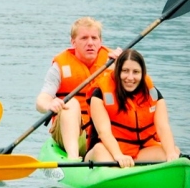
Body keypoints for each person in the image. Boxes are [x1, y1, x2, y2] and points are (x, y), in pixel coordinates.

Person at [35, 17, 121, 159]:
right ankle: (73, 158)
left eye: (94, 38)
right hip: (73, 133)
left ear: (100, 41)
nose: (90, 43)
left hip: (105, 132)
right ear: (73, 42)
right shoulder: (60, 65)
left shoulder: (114, 62)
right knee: (70, 102)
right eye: (84, 38)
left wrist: (123, 67)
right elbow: (41, 101)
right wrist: (50, 104)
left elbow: (138, 94)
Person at [84, 49, 180, 167]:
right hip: (108, 152)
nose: (130, 77)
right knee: (99, 149)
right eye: (125, 71)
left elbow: (163, 126)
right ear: (118, 71)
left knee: (173, 151)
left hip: (139, 152)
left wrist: (170, 153)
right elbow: (104, 133)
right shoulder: (99, 94)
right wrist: (118, 155)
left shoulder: (153, 93)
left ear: (142, 73)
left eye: (136, 72)